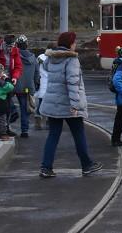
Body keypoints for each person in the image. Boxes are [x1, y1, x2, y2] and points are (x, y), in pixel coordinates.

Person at [38, 31, 102, 178]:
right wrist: (75, 105)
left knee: (53, 135)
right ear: (70, 44)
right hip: (68, 105)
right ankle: (86, 165)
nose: (76, 45)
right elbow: (73, 84)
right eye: (74, 42)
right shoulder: (71, 60)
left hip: (53, 103)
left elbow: (47, 68)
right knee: (79, 134)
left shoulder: (51, 57)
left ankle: (45, 167)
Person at [0, 34, 23, 137]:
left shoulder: (15, 51)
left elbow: (18, 66)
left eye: (12, 46)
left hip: (8, 80)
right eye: (9, 46)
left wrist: (15, 77)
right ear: (4, 44)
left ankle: (5, 128)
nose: (11, 49)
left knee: (7, 107)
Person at [13, 35, 37, 138]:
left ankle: (9, 121)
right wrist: (35, 85)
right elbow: (37, 73)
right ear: (27, 45)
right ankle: (24, 130)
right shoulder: (33, 57)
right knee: (25, 108)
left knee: (9, 103)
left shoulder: (15, 56)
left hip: (16, 85)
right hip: (29, 86)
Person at [34, 48, 49, 130]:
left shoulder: (40, 57)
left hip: (41, 82)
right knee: (49, 104)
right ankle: (48, 121)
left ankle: (38, 121)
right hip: (48, 83)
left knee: (41, 102)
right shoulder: (51, 59)